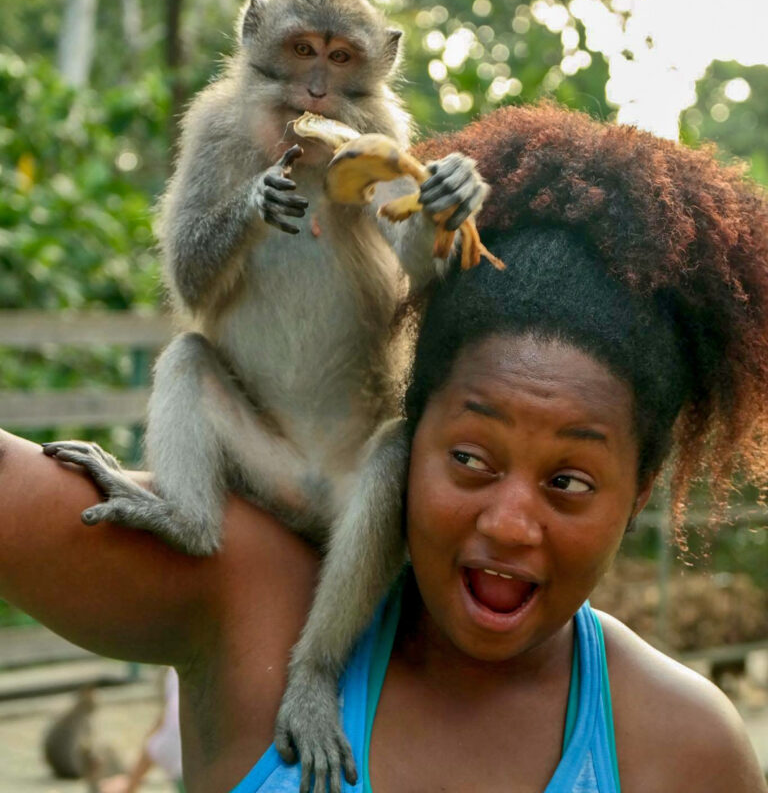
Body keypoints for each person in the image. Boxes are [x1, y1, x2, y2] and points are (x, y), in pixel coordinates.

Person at [1, 102, 767, 793]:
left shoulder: (683, 748)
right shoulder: (247, 602)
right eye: (470, 459)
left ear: (639, 492)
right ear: (411, 426)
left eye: (568, 479)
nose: (507, 524)